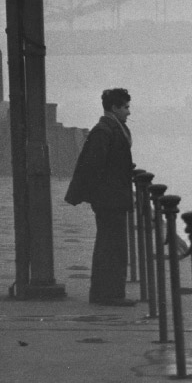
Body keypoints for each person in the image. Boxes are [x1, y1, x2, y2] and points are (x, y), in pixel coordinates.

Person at [64, 88, 136, 306]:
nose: (129, 112)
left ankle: (109, 292)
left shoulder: (110, 128)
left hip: (112, 197)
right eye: (125, 107)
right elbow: (95, 166)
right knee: (110, 246)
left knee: (111, 245)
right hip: (110, 198)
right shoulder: (104, 131)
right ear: (114, 108)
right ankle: (108, 294)